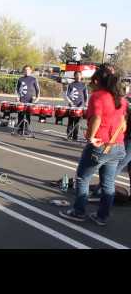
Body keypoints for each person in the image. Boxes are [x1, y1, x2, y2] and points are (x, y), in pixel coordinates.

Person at [60, 66, 127, 226]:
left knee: (83, 178)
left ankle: (78, 212)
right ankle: (102, 216)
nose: (91, 86)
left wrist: (90, 137)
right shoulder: (120, 98)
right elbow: (123, 122)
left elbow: (96, 118)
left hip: (100, 145)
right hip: (117, 145)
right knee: (108, 183)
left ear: (96, 81)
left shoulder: (98, 96)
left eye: (91, 83)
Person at [16, 65, 40, 135]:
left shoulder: (33, 79)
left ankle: (26, 130)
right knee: (20, 115)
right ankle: (20, 129)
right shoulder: (20, 79)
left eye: (28, 70)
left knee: (27, 116)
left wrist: (37, 98)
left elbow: (37, 90)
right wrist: (17, 97)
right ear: (23, 71)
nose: (27, 71)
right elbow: (16, 90)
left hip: (30, 101)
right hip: (21, 100)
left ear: (30, 71)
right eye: (25, 70)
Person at [65, 71, 89, 141]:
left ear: (81, 76)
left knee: (77, 122)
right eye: (77, 75)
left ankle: (75, 136)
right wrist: (70, 102)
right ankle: (69, 135)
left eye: (79, 75)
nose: (78, 76)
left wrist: (86, 102)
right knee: (70, 121)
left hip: (80, 106)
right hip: (72, 106)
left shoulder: (83, 85)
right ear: (74, 76)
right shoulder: (70, 85)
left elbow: (86, 95)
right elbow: (67, 95)